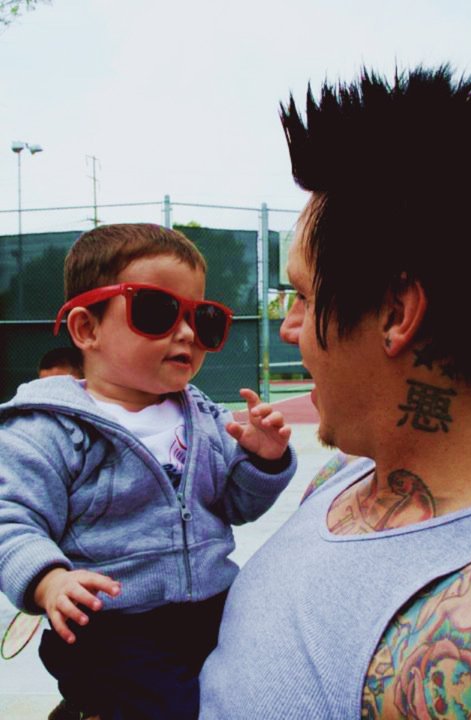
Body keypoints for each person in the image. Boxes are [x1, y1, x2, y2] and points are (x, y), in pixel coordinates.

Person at [199, 66, 471, 718]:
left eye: (302, 295)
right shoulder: (343, 475)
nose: (288, 326)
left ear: (395, 314)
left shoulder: (459, 632)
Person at [0, 223, 296, 720]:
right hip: (115, 627)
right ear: (86, 330)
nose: (187, 333)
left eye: (203, 319)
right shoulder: (49, 428)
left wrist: (262, 462)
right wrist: (49, 580)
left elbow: (236, 506)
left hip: (212, 604)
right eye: (156, 311)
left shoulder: (204, 417)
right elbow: (10, 518)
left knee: (266, 681)